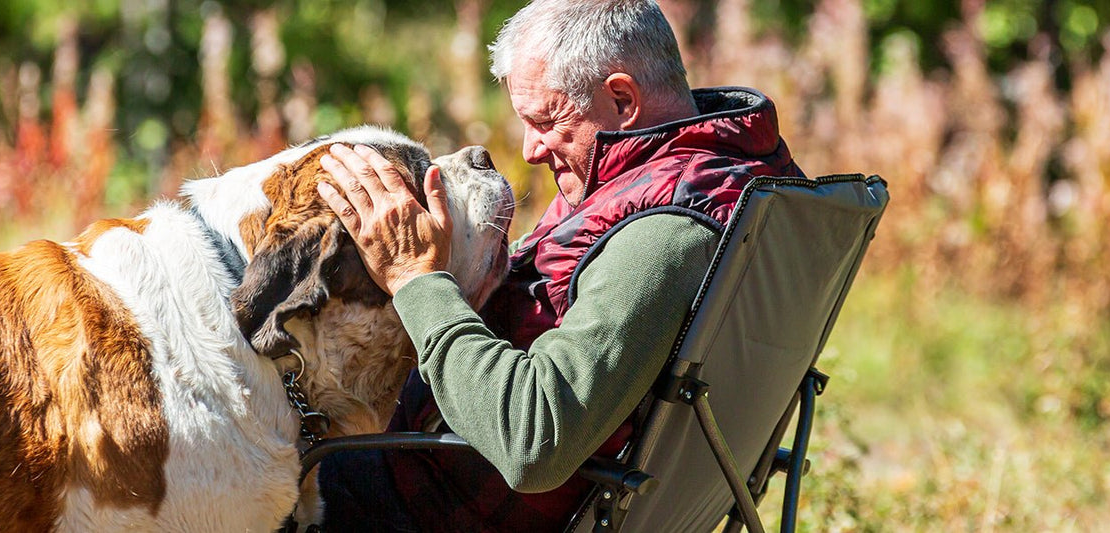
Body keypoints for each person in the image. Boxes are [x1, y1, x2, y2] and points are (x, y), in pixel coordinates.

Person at [313, 0, 804, 531]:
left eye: (545, 120)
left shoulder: (664, 236)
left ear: (622, 98)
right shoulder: (719, 176)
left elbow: (533, 442)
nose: (529, 150)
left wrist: (416, 279)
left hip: (429, 501)